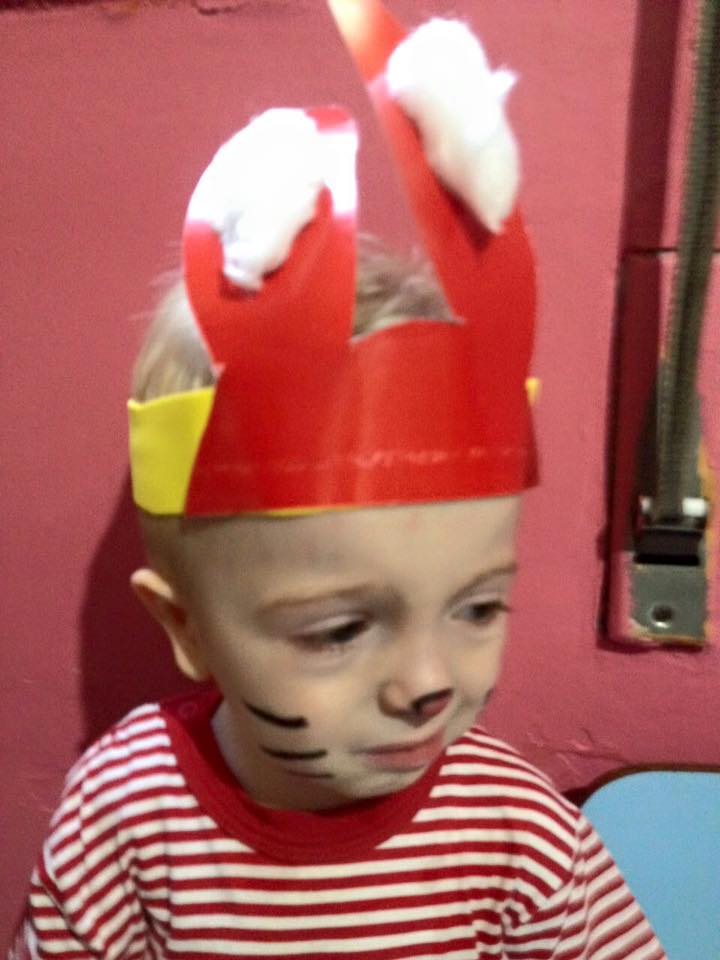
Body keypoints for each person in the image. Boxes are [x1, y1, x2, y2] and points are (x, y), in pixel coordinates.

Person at [14, 3, 667, 958]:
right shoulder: (126, 815)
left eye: (478, 608)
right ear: (186, 627)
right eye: (339, 629)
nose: (428, 684)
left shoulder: (516, 832)